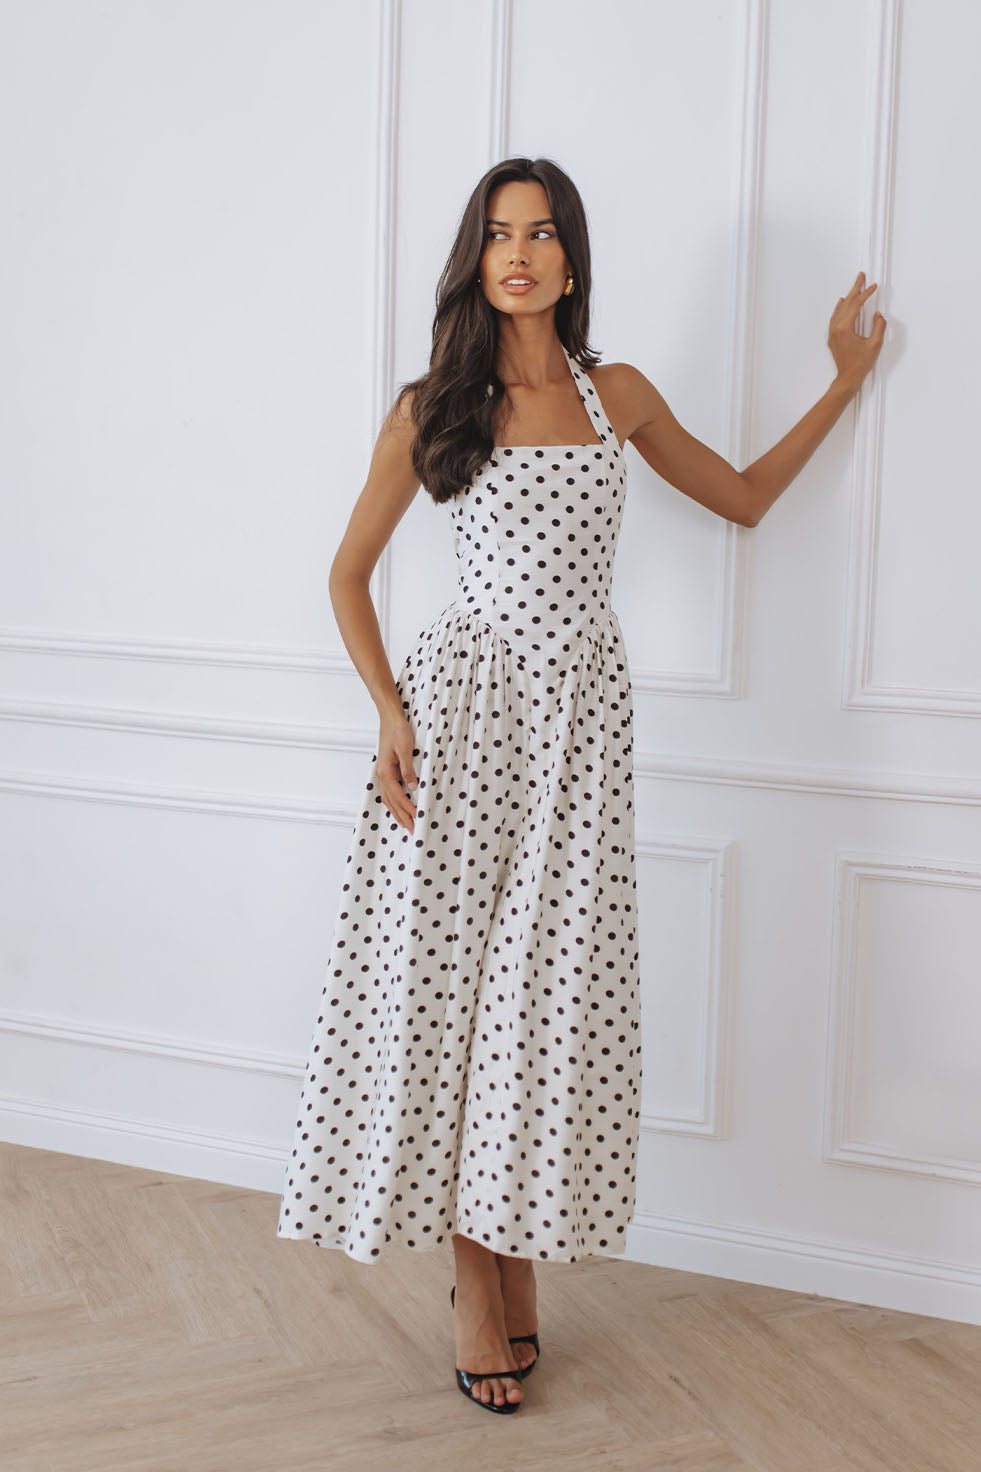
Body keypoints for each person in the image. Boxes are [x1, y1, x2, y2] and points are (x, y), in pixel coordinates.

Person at [276, 156, 887, 1415]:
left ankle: (506, 1254)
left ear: (570, 258)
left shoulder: (619, 396)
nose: (520, 253)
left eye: (543, 232)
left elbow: (745, 498)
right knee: (456, 1005)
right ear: (476, 257)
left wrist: (841, 380)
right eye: (500, 233)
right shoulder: (432, 407)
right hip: (459, 728)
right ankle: (481, 1287)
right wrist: (388, 709)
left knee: (537, 1006)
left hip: (580, 740)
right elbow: (346, 574)